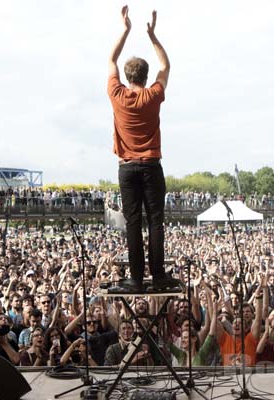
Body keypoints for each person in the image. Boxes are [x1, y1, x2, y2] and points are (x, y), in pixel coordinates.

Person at [107, 5, 179, 292]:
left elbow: (111, 58)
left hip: (127, 167)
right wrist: (153, 36)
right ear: (146, 77)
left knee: (133, 224)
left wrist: (125, 30)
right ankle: (158, 276)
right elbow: (166, 66)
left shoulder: (116, 93)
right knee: (156, 222)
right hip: (151, 165)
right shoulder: (153, 95)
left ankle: (136, 279)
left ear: (127, 76)